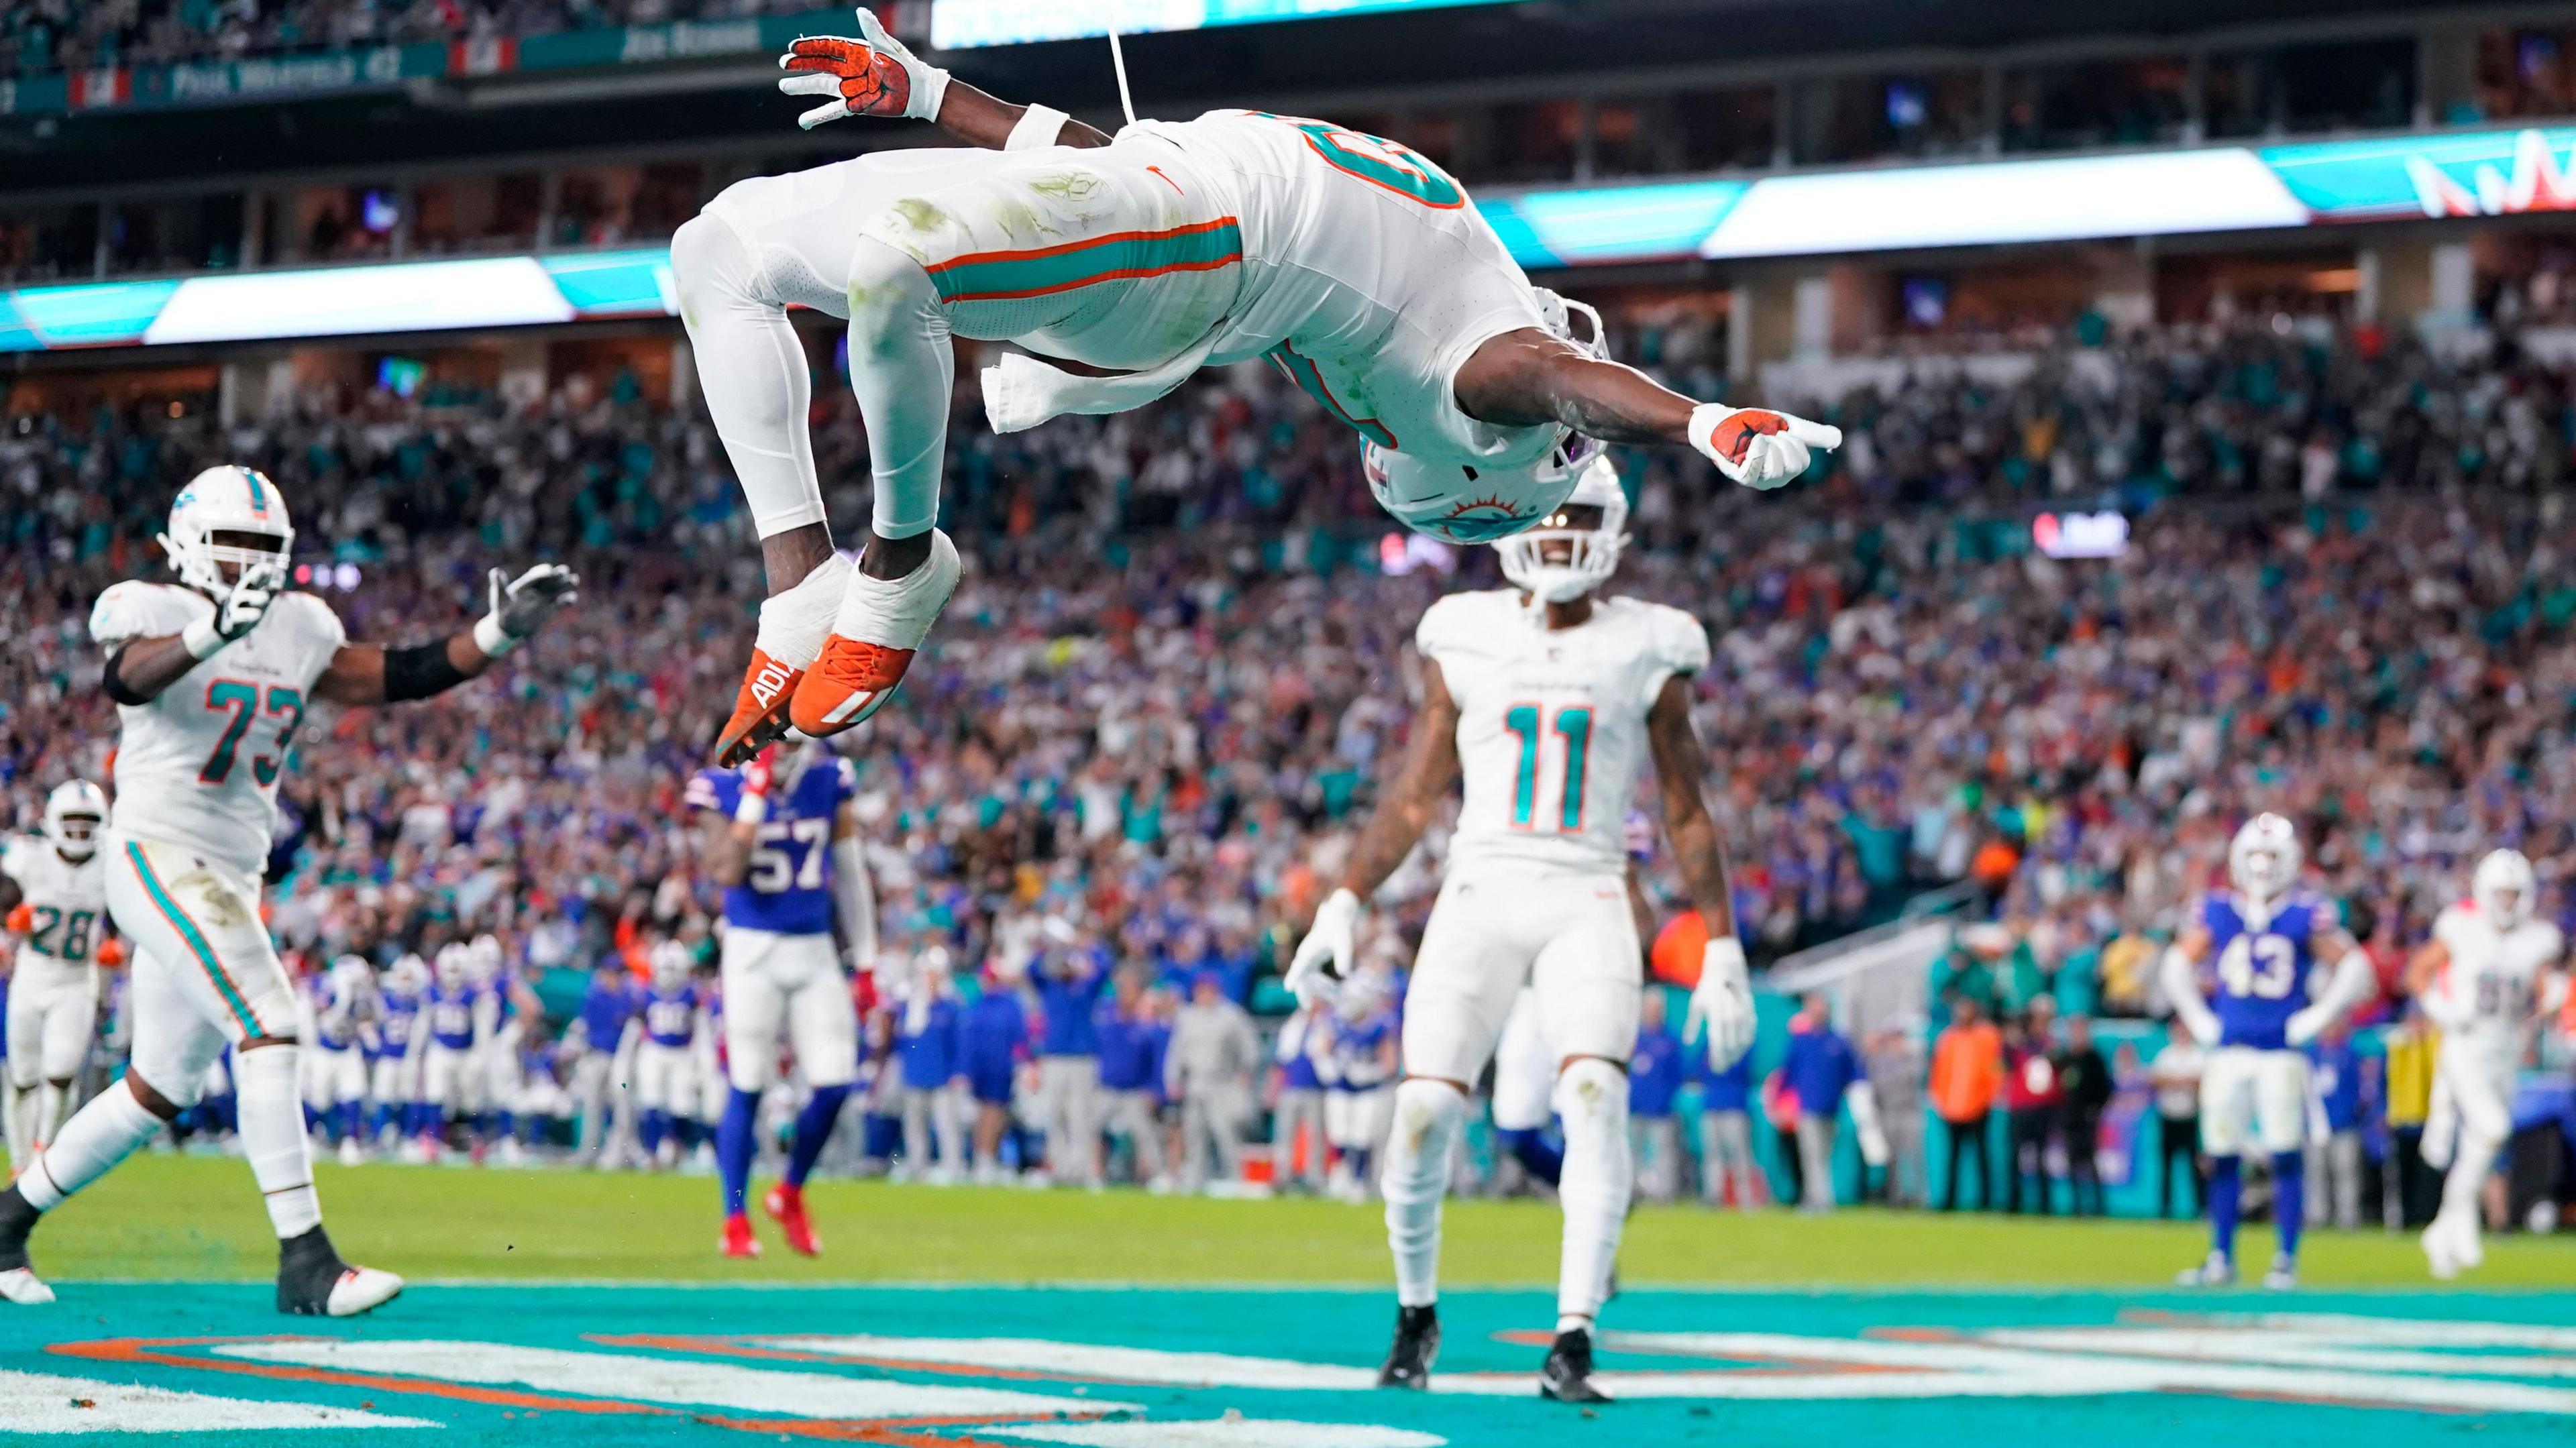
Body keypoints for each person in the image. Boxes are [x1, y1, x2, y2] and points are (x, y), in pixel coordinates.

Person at [684, 13, 1839, 764]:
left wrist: (1697, 420)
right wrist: (933, 96)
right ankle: (799, 581)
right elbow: (1105, 175)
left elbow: (1557, 383)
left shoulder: (1471, 375)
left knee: (897, 265)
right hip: (1161, 199)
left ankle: (900, 560)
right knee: (715, 248)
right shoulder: (1458, 282)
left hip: (1196, 249)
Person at [0, 463, 574, 1313]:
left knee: (160, 1085)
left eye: (267, 549)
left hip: (227, 872)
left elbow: (394, 674)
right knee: (269, 1022)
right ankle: (305, 1259)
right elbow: (126, 678)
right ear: (191, 545)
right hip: (159, 850)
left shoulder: (301, 625)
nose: (251, 565)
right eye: (235, 547)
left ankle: (7, 1221)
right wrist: (214, 632)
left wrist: (493, 635)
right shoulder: (154, 608)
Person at [1284, 459, 1752, 1404]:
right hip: (1481, 886)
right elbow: (1418, 790)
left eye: (1583, 512)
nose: (1564, 529)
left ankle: (1574, 1331)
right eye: (1552, 508)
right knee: (1421, 1112)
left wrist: (1724, 944)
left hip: (1588, 893)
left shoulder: (1649, 642)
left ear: (1616, 530)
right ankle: (1417, 1311)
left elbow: (1686, 806)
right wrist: (1344, 900)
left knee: (1591, 1095)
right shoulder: (1465, 630)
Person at [2163, 814, 2375, 1290]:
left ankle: (2285, 1258)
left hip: (2280, 1051)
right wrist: (2199, 1021)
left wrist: (2316, 1019)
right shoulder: (2218, 909)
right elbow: (2176, 963)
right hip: (2229, 1049)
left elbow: (2355, 965)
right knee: (2220, 1153)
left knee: (2284, 1153)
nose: (2262, 866)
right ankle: (2221, 1256)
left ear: (2292, 861)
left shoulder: (2305, 913)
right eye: (2255, 856)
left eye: (2273, 857)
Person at [686, 738, 874, 1256]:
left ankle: (789, 1190)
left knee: (837, 1081)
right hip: (751, 949)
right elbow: (725, 869)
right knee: (747, 1083)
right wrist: (755, 794)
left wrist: (867, 959)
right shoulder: (721, 784)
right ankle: (734, 1217)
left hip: (814, 947)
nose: (788, 746)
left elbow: (851, 873)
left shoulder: (829, 776)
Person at [2408, 848, 2566, 1278]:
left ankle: (2450, 1224)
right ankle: (2457, 1221)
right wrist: (2440, 1009)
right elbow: (2418, 971)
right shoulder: (2461, 928)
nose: (2508, 902)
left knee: (2486, 1140)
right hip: (2465, 1045)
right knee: (2492, 1127)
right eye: (2502, 893)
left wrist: (2550, 996)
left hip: (2506, 1050)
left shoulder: (2540, 938)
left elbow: (2539, 987)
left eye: (2515, 893)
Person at [1, 781, 111, 1168]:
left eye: (89, 822)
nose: (81, 831)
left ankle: (45, 1152)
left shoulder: (112, 863)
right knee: (23, 1077)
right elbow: (3, 896)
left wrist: (119, 948)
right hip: (32, 976)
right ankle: (19, 1162)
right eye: (73, 821)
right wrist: (8, 924)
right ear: (53, 821)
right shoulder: (29, 857)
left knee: (62, 1071)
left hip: (77, 981)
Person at [1165, 970, 1262, 1194]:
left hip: (1223, 1082)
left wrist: (1246, 1070)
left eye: (1208, 990)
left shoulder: (1231, 1015)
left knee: (1224, 1131)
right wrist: (1173, 1079)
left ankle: (1236, 1178)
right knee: (1194, 1133)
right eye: (1200, 991)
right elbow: (1177, 1051)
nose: (1204, 995)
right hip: (1195, 1082)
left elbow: (1251, 1046)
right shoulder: (1187, 1016)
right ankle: (1195, 1180)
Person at [1028, 925, 1109, 1187]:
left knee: (1080, 1116)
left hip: (1083, 1058)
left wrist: (1084, 947)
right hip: (1054, 1057)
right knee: (1054, 1114)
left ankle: (1083, 1171)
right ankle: (1059, 1169)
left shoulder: (1086, 988)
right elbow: (1031, 968)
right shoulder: (1050, 988)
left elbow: (1106, 965)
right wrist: (1053, 948)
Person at [1782, 994, 1876, 1212]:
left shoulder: (1838, 1041)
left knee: (1823, 1155)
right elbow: (1788, 1074)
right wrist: (1784, 1102)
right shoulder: (1801, 1041)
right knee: (1811, 1154)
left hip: (1831, 1107)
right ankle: (1820, 1200)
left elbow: (1854, 1073)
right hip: (1807, 1107)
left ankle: (1817, 1198)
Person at [631, 941, 709, 1170]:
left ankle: (675, 1147)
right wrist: (626, 1058)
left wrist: (704, 1057)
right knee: (651, 1098)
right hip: (654, 1050)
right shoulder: (646, 993)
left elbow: (702, 1027)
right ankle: (651, 1151)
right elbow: (635, 1028)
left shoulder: (691, 994)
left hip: (682, 1052)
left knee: (682, 1104)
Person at [892, 946, 965, 1183]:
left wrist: (957, 1071)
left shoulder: (950, 1005)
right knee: (914, 1126)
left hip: (942, 1076)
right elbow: (902, 1042)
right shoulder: (912, 1007)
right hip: (915, 1074)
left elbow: (959, 1042)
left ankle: (953, 1167)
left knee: (947, 1125)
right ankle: (917, 1167)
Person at [1093, 969, 1171, 1190]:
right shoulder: (1106, 1020)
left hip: (1135, 1090)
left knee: (1146, 1135)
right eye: (1123, 991)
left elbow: (1155, 1062)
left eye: (1131, 992)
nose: (1126, 996)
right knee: (1092, 1129)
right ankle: (1095, 1173)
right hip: (1106, 1088)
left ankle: (1156, 1175)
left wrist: (1154, 1089)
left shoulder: (1146, 1027)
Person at [298, 954, 374, 1167]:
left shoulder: (361, 994)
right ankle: (310, 1138)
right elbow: (331, 1024)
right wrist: (344, 999)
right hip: (324, 1050)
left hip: (349, 1049)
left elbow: (373, 1016)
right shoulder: (329, 990)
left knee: (354, 1094)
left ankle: (351, 1143)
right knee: (318, 1099)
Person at [959, 964, 1030, 1185]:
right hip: (981, 1069)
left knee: (997, 1113)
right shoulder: (978, 1004)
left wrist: (1025, 1064)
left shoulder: (1009, 1004)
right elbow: (968, 1041)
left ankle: (988, 1157)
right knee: (985, 1113)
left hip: (1001, 1068)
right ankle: (983, 1158)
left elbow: (1020, 1039)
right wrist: (965, 1070)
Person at [1929, 995, 2002, 1211]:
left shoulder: (1987, 1037)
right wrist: (1941, 1099)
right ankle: (1948, 1201)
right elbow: (1940, 1071)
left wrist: (1987, 1098)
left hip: (1978, 1106)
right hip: (1952, 1108)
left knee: (1982, 1156)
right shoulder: (1949, 1038)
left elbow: (1994, 1070)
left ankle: (1986, 1201)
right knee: (1952, 1157)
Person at [415, 942, 484, 1160]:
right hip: (440, 1049)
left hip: (465, 1050)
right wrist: (417, 1054)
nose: (453, 975)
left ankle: (474, 1139)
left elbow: (482, 1026)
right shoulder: (432, 993)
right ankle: (433, 1140)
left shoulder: (474, 994)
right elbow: (423, 1024)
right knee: (436, 1093)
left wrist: (480, 1053)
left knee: (470, 1098)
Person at [2305, 1021, 2367, 1231]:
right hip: (2314, 1126)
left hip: (2345, 1124)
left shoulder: (2350, 1056)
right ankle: (2317, 1215)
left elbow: (2359, 1090)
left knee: (2347, 1172)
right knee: (2315, 1172)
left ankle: (2348, 1217)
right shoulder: (2310, 1056)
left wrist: (2349, 1115)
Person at [1627, 990, 1686, 1204]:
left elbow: (1677, 1074)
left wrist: (1665, 1100)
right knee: (1633, 1153)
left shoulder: (1669, 1040)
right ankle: (1633, 1190)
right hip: (1636, 1107)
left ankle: (1664, 1194)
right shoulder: (1636, 1039)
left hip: (1661, 1109)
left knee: (1664, 1153)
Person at [2000, 1013, 2061, 1215]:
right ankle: (2013, 1204)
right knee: (2015, 1157)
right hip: (2020, 1109)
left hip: (2042, 1109)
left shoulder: (2049, 1047)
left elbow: (2057, 1064)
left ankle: (2044, 1206)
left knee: (2041, 1158)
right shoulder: (2017, 1048)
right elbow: (2004, 1063)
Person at [1693, 1029, 1759, 1210]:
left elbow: (1742, 1069)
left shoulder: (1743, 1038)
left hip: (1735, 1105)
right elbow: (1702, 1068)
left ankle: (1746, 1198)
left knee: (1739, 1154)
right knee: (1712, 1154)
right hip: (1712, 1104)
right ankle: (1713, 1196)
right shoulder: (1710, 1040)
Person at [2147, 1015, 2206, 1218]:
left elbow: (2201, 1081)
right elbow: (2156, 1079)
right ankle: (2165, 1209)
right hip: (2169, 1116)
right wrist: (2183, 1081)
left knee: (2194, 1166)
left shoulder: (2197, 1055)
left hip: (2189, 1117)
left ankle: (2200, 1209)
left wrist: (2176, 1081)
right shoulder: (2166, 1055)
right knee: (2166, 1166)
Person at [2055, 1015, 2112, 1217]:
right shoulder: (2065, 1058)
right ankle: (2077, 1206)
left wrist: (2096, 1109)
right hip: (2070, 1117)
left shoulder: (2094, 1059)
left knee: (2090, 1163)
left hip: (2088, 1119)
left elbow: (2106, 1089)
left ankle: (2098, 1206)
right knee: (2071, 1164)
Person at [1269, 1004, 1329, 1194]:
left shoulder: (1326, 1024)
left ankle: (1315, 1178)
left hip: (1316, 1087)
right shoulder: (1293, 1025)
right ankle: (1282, 1176)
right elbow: (1281, 1059)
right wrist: (1274, 1088)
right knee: (1285, 1134)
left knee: (1316, 1135)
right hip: (1291, 1087)